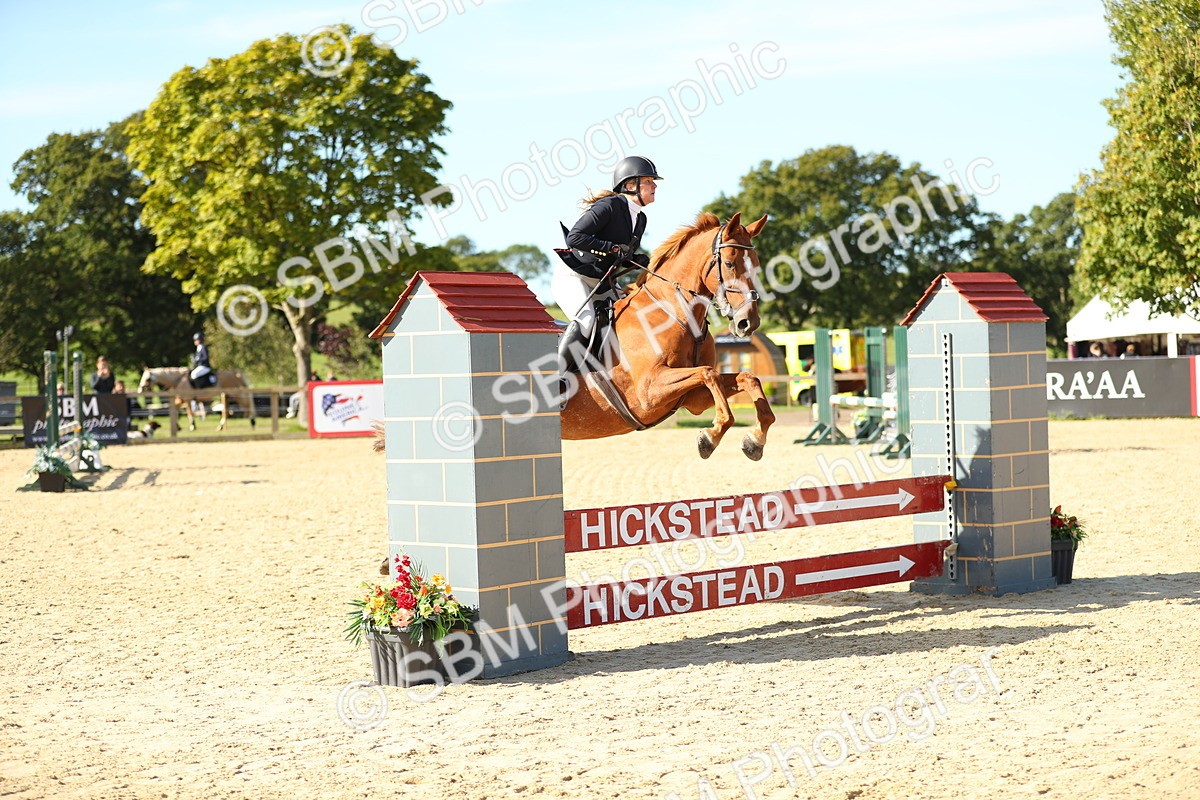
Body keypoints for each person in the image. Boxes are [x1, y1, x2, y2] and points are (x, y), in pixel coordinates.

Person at [552, 155, 661, 370]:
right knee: (587, 321)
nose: (654, 185)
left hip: (603, 281)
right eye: (649, 181)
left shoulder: (640, 219)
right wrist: (610, 247)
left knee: (630, 317)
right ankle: (554, 377)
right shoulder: (608, 206)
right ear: (631, 185)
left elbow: (621, 255)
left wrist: (635, 260)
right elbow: (575, 237)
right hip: (574, 277)